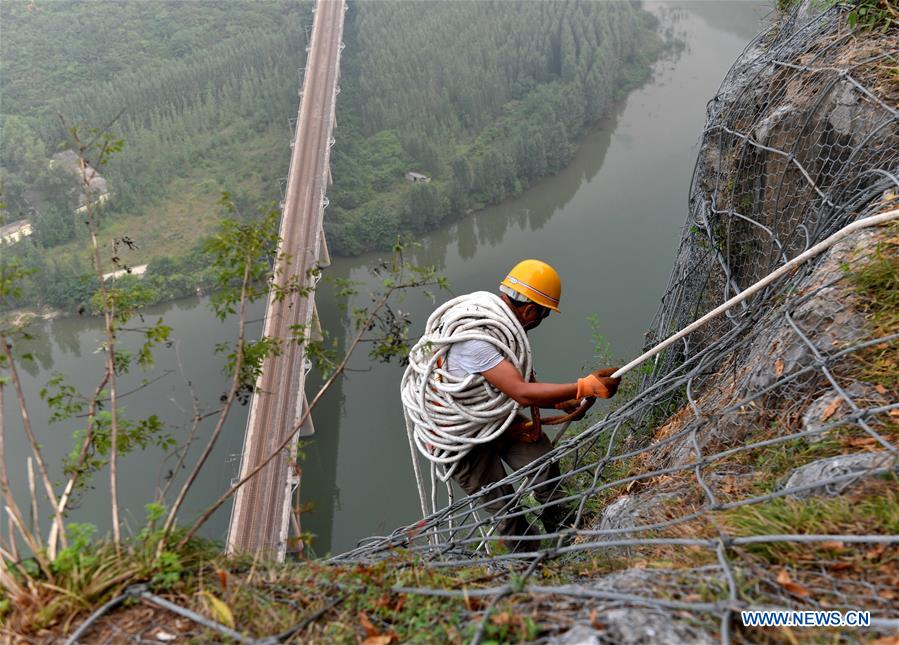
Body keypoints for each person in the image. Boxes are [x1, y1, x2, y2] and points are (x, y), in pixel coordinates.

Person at [441, 259, 621, 551]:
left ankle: (568, 532)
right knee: (505, 508)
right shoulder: (476, 339)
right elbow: (521, 392)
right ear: (529, 311)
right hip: (459, 435)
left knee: (542, 462)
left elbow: (509, 384)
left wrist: (560, 402)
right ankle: (534, 565)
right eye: (544, 314)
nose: (542, 321)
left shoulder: (499, 328)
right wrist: (584, 386)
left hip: (492, 416)